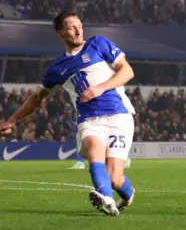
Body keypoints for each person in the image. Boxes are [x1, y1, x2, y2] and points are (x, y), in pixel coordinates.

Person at [0, 11, 137, 216]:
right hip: (89, 120)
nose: (78, 30)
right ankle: (107, 199)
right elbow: (38, 98)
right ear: (60, 33)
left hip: (119, 115)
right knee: (93, 148)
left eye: (79, 25)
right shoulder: (57, 68)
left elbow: (127, 71)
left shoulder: (98, 44)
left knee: (115, 177)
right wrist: (12, 120)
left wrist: (101, 87)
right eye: (72, 27)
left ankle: (127, 194)